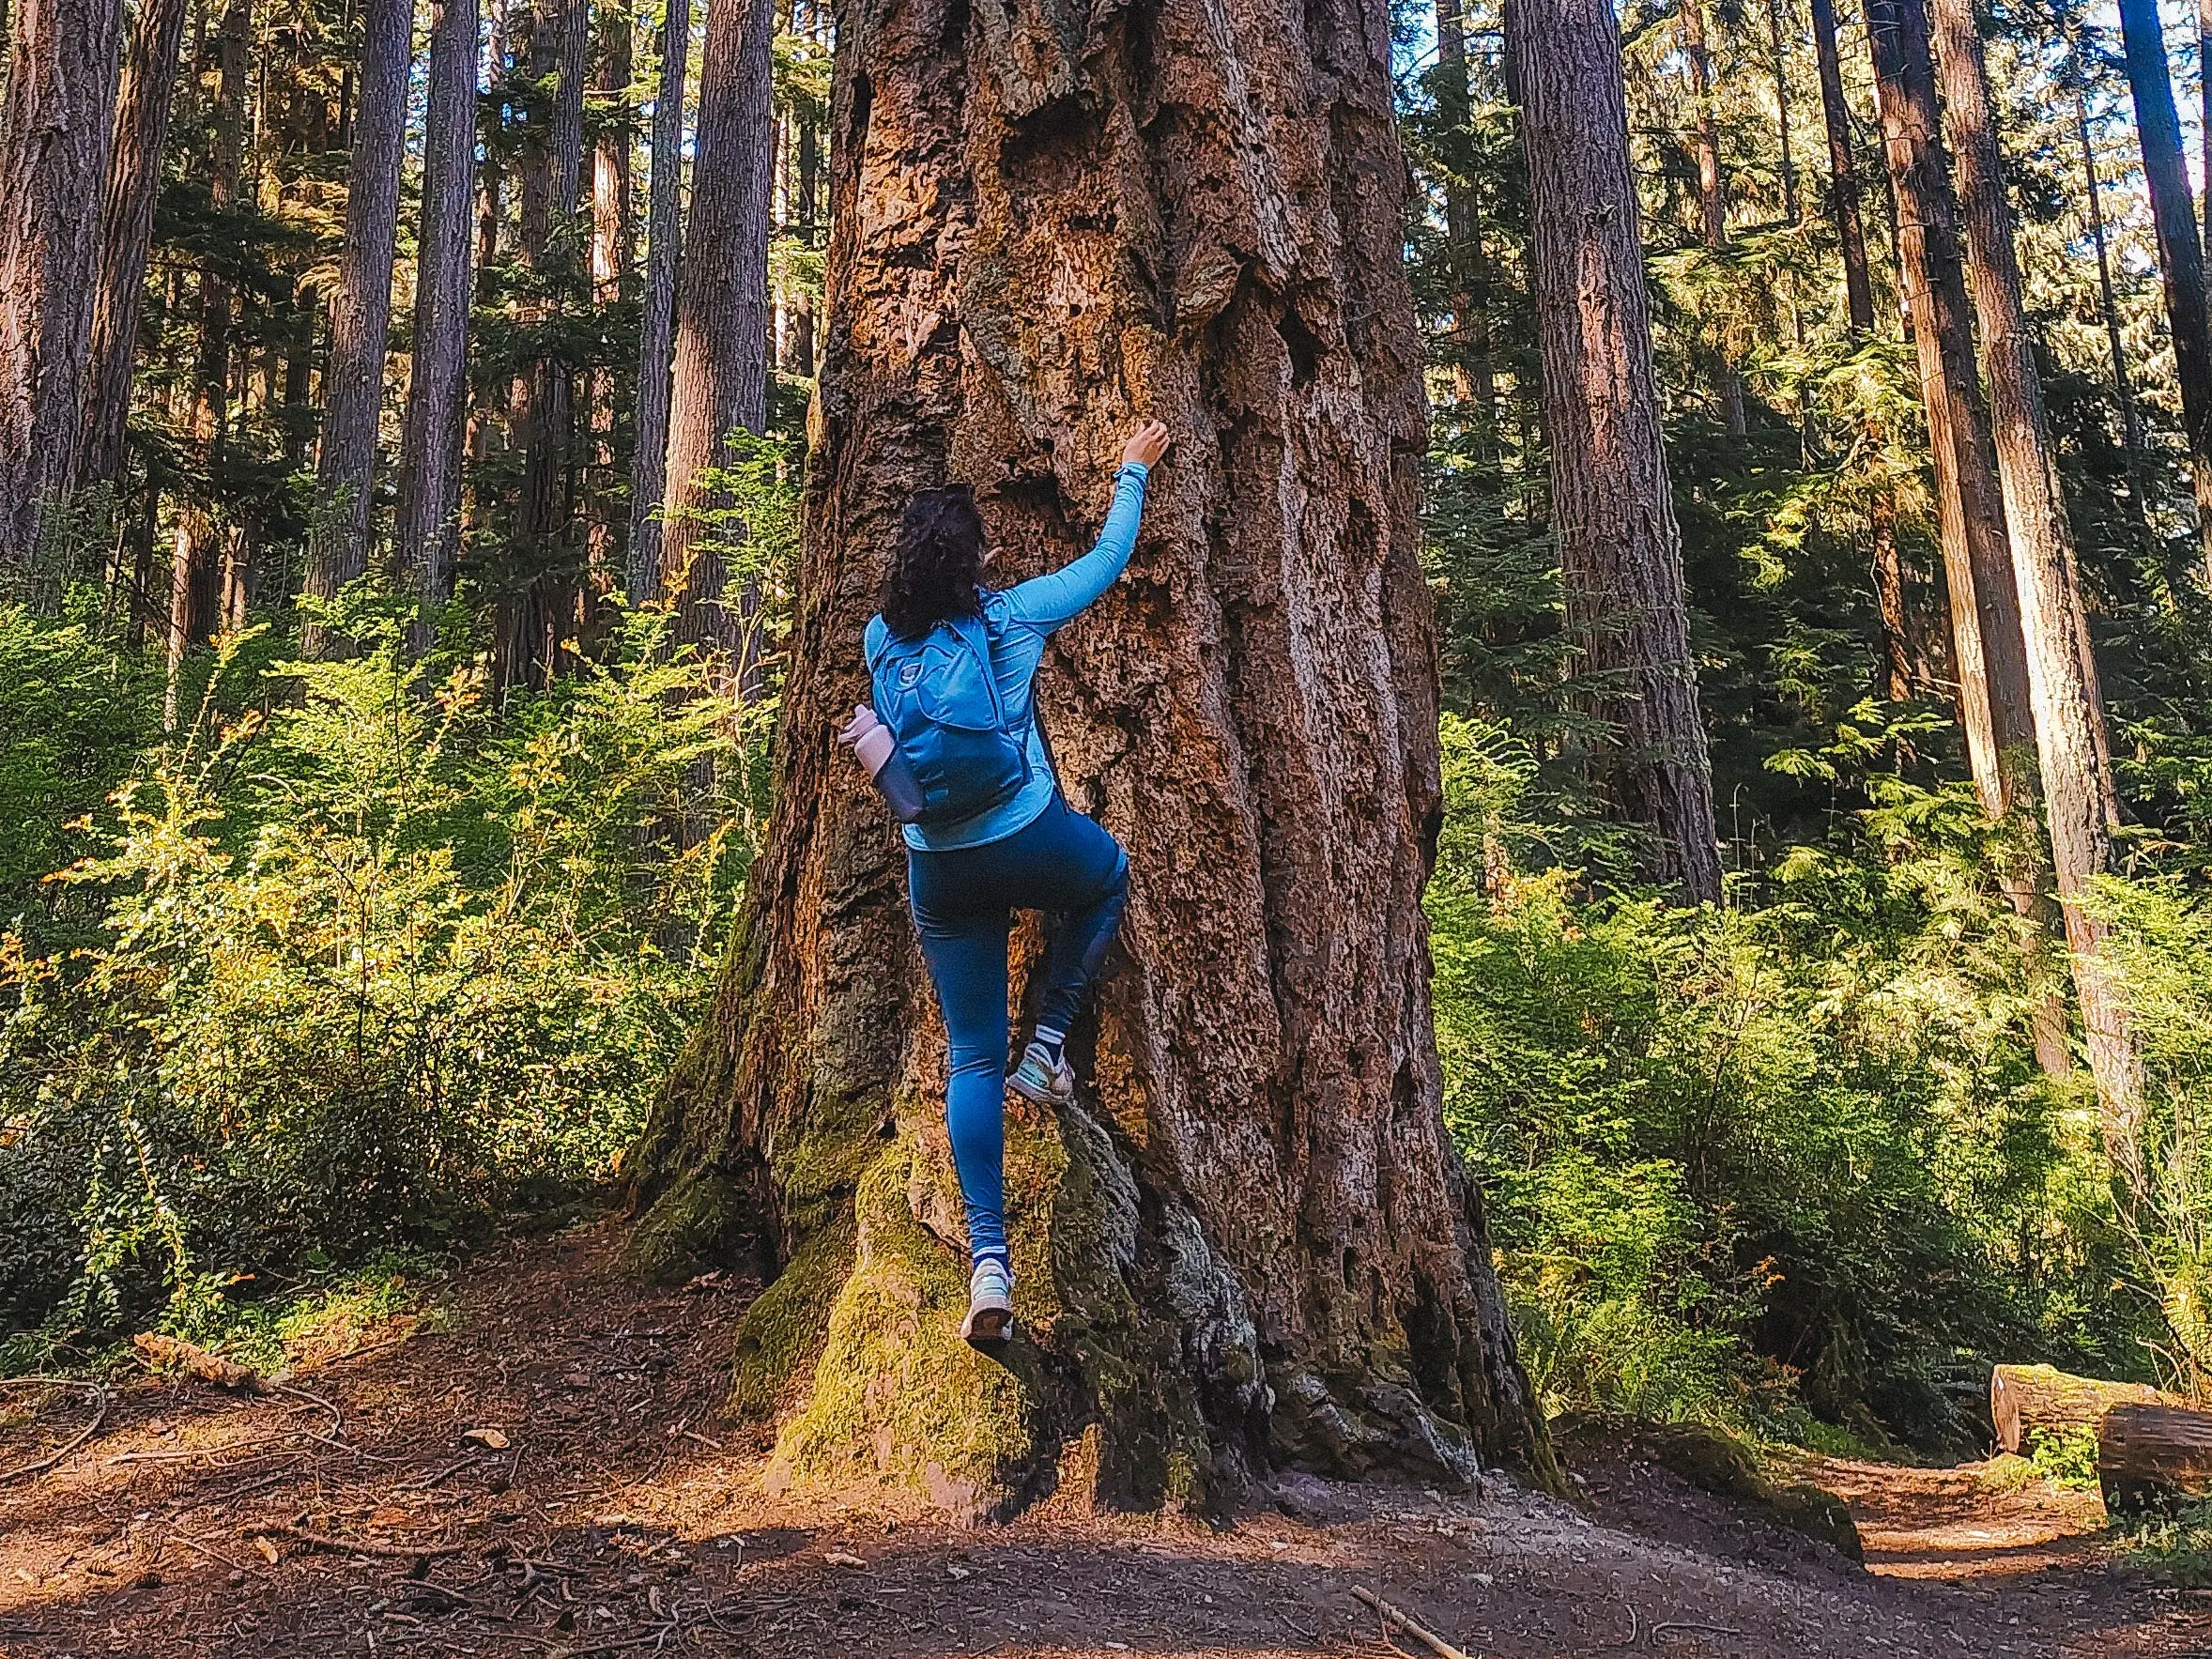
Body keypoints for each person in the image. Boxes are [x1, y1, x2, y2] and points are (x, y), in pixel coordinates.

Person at [839, 420, 1172, 1344]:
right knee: (1106, 879)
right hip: (1025, 838)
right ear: (975, 559)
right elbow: (1108, 557)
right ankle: (1050, 1044)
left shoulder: (878, 637)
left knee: (967, 1058)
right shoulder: (1009, 616)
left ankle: (990, 1263)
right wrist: (1132, 472)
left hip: (936, 865)